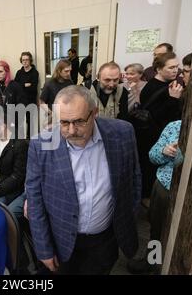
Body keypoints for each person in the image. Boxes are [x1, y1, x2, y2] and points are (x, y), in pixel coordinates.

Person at [26, 85, 141, 275]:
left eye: (79, 121)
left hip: (105, 241)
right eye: (64, 123)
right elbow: (35, 201)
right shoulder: (41, 145)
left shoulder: (123, 133)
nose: (71, 130)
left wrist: (126, 220)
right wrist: (44, 249)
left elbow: (133, 180)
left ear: (94, 113)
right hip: (61, 242)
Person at [127, 120, 182, 274]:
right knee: (156, 229)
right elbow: (153, 155)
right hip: (164, 188)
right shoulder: (174, 126)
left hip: (190, 195)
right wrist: (164, 151)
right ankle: (151, 262)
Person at [138, 52, 184, 204]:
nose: (175, 70)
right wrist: (173, 100)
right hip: (152, 138)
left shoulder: (170, 85)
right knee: (149, 169)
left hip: (159, 139)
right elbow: (163, 119)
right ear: (158, 69)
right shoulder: (152, 88)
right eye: (171, 67)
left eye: (177, 67)